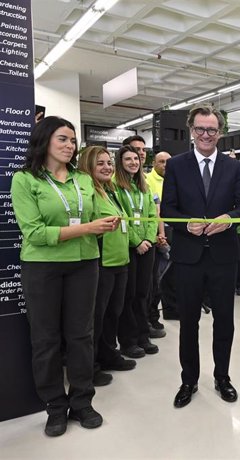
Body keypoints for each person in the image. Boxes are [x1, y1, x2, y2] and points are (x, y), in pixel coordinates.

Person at [11, 116, 119, 436]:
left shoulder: (82, 179)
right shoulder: (25, 180)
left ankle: (82, 401)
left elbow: (98, 214)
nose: (69, 146)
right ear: (44, 141)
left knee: (81, 335)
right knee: (46, 339)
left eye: (72, 141)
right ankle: (55, 406)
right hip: (42, 267)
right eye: (62, 139)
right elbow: (34, 233)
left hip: (85, 264)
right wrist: (87, 228)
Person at [161, 105, 240, 408]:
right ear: (191, 131)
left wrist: (229, 217)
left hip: (224, 256)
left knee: (224, 320)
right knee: (188, 322)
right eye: (200, 129)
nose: (206, 135)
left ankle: (222, 377)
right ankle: (189, 380)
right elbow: (167, 210)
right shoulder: (176, 165)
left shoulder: (234, 167)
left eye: (212, 129)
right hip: (188, 256)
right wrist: (185, 223)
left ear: (220, 133)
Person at [77, 147, 136, 385]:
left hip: (119, 260)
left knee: (113, 312)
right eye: (100, 163)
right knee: (96, 317)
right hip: (101, 261)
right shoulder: (86, 190)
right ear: (88, 165)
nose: (107, 167)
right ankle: (90, 366)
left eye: (108, 163)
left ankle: (109, 354)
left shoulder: (109, 191)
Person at [114, 145, 159, 359]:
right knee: (128, 296)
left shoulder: (144, 187)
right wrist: (137, 241)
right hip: (128, 246)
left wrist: (148, 239)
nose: (133, 162)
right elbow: (120, 215)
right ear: (120, 163)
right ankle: (128, 341)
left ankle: (143, 336)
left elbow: (152, 214)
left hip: (147, 246)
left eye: (135, 159)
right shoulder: (115, 186)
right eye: (127, 159)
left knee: (143, 293)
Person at [145, 151, 172, 334]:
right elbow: (155, 211)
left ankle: (165, 312)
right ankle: (150, 317)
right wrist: (159, 234)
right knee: (153, 280)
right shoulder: (147, 180)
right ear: (154, 163)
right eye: (161, 161)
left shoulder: (176, 179)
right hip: (154, 233)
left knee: (167, 277)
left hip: (173, 230)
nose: (165, 165)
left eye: (168, 162)